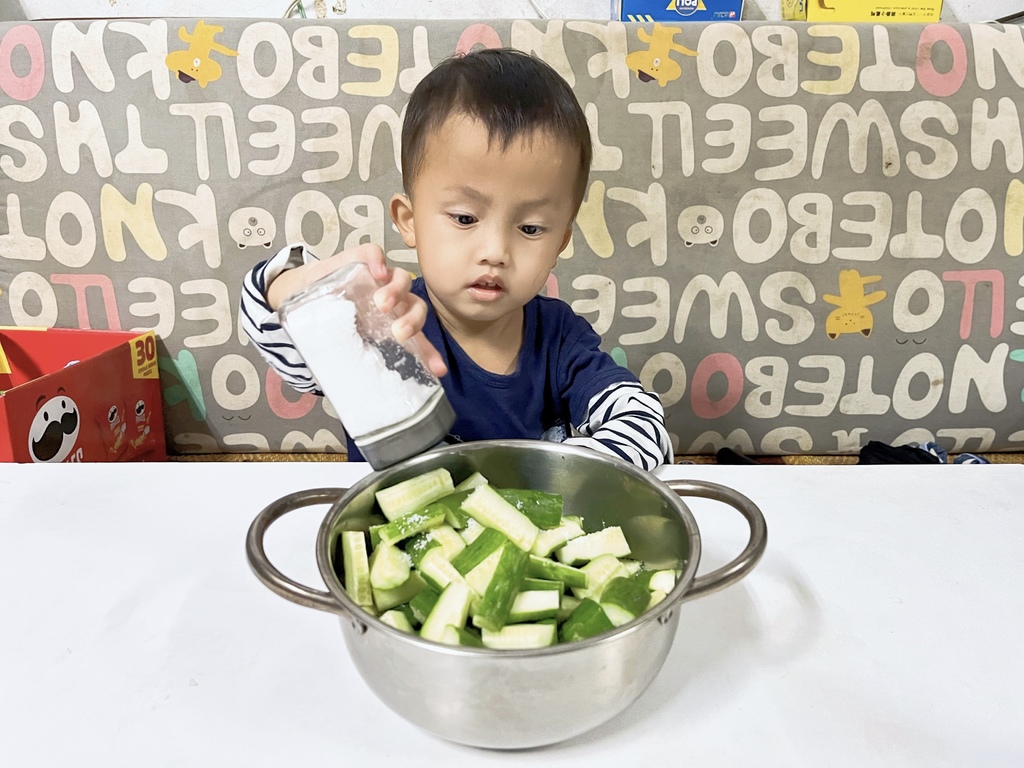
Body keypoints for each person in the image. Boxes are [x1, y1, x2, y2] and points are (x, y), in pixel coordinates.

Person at [240, 48, 673, 470]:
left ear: (560, 241)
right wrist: (306, 292)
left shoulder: (560, 339)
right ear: (409, 221)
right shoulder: (385, 325)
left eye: (531, 228)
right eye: (465, 218)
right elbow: (270, 325)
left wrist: (565, 479)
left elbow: (644, 423)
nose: (495, 252)